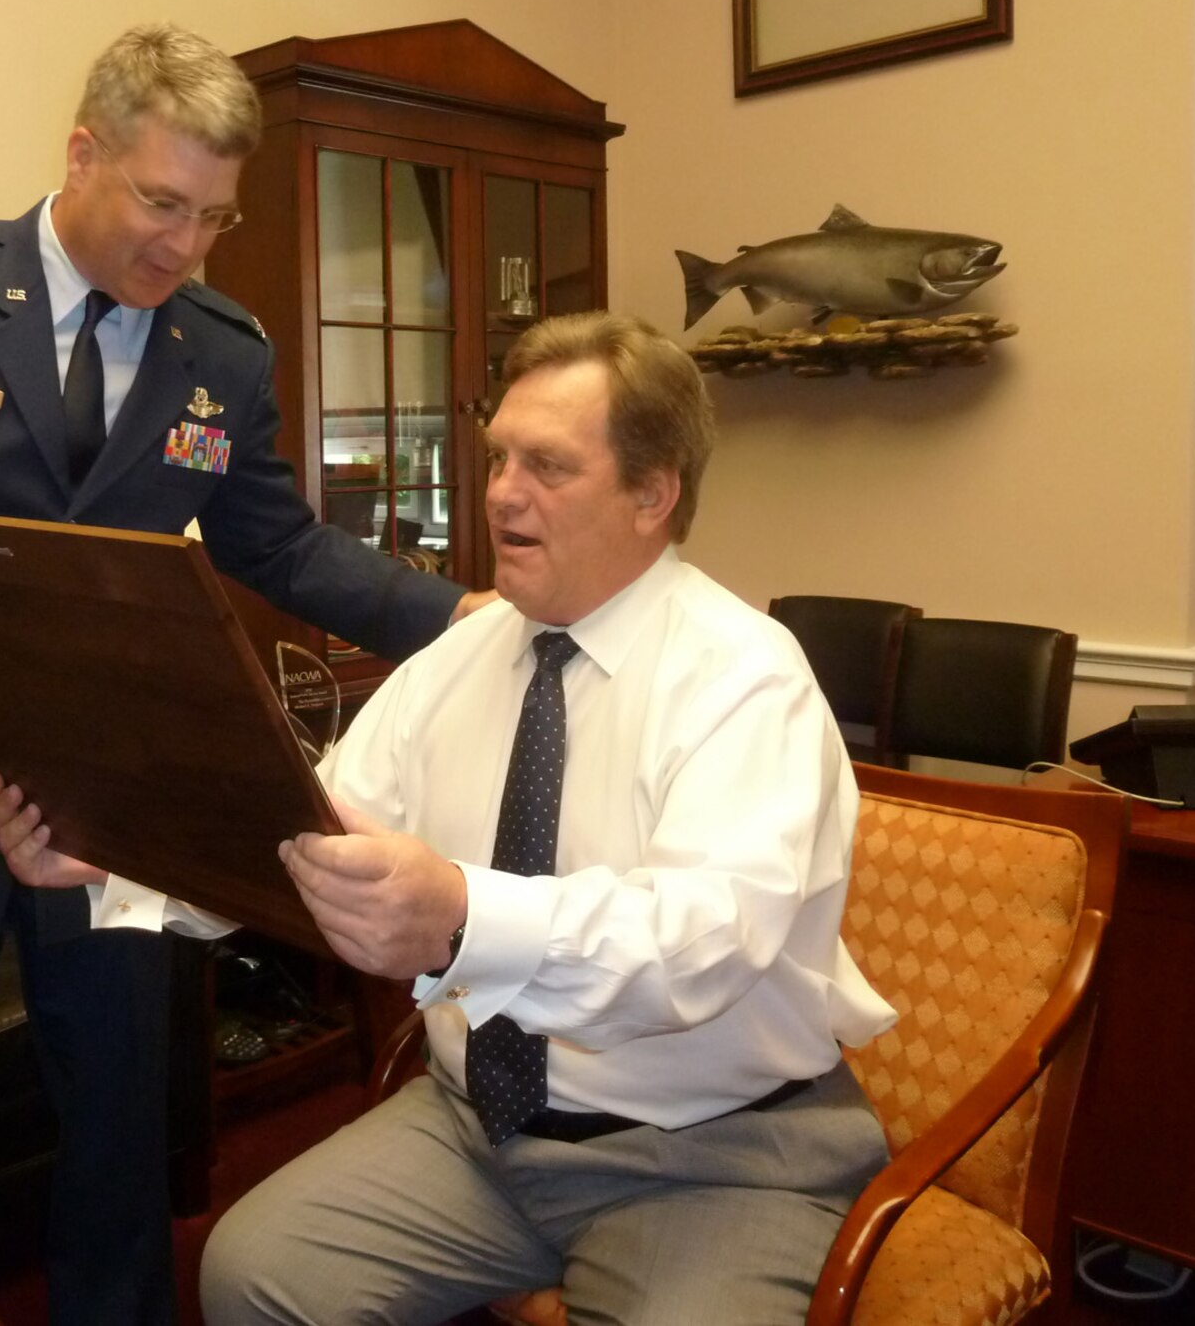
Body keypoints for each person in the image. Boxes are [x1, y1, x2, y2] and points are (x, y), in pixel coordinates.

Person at [0, 22, 477, 1323]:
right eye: (161, 202)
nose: (184, 246)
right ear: (83, 152)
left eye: (215, 218)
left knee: (123, 1139)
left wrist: (470, 621)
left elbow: (278, 543)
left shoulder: (221, 354)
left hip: (114, 807)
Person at [185, 311, 899, 1326]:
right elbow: (312, 832)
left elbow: (698, 945)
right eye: (496, 459)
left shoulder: (744, 678)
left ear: (652, 494)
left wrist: (463, 919)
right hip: (478, 1128)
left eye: (546, 467)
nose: (500, 494)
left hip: (714, 1154)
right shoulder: (457, 660)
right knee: (253, 1276)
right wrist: (117, 852)